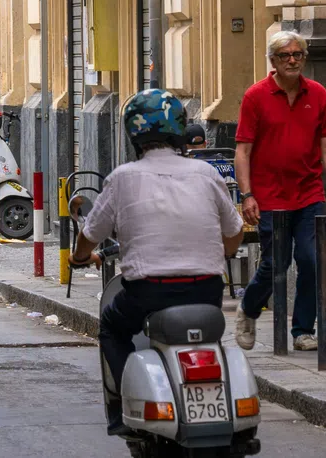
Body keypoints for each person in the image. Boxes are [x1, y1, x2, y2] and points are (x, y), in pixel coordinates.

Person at [69, 89, 244, 435]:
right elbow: (234, 233)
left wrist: (79, 257)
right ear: (179, 129)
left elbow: (91, 233)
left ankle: (124, 405)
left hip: (148, 293)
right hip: (207, 292)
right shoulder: (206, 173)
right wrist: (219, 251)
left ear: (133, 134)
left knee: (112, 329)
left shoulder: (122, 178)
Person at [233, 30, 326, 352]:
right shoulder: (256, 96)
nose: (292, 60)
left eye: (298, 54)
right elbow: (243, 151)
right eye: (285, 55)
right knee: (275, 263)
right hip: (270, 196)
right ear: (273, 61)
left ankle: (303, 330)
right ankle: (248, 309)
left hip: (309, 194)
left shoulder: (318, 94)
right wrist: (247, 195)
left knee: (312, 260)